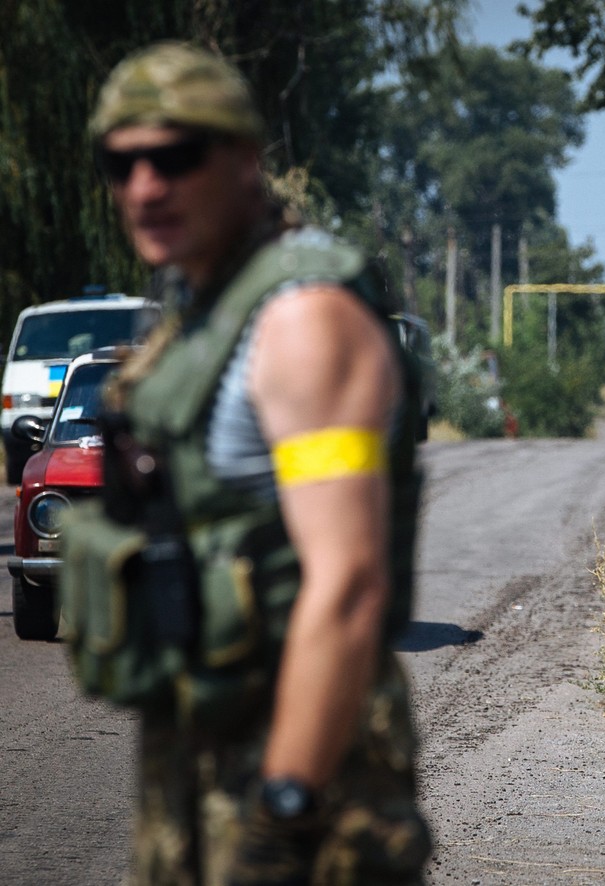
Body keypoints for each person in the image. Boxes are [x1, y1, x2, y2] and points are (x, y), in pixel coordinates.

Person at [70, 42, 430, 882]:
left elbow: (349, 583)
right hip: (205, 748)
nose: (144, 188)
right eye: (120, 164)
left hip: (305, 771)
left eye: (175, 157)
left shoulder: (305, 319)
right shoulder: (201, 306)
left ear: (245, 159)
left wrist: (281, 813)